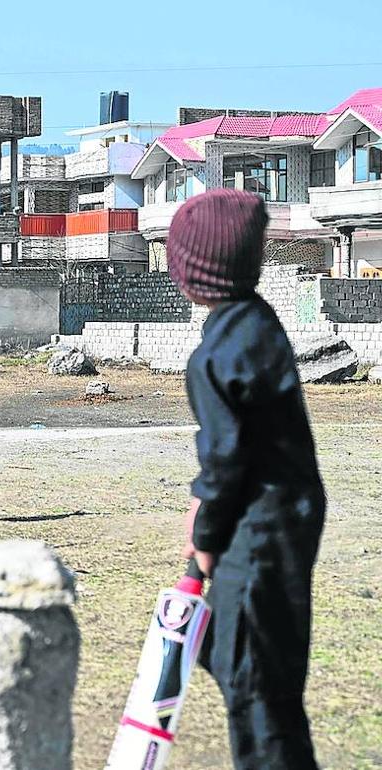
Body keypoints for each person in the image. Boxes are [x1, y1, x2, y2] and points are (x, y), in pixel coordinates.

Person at [169, 189, 325, 769]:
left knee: (257, 690)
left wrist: (204, 541)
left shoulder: (216, 354)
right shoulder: (256, 321)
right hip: (286, 522)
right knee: (263, 679)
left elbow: (225, 464)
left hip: (254, 534)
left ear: (193, 269)